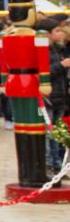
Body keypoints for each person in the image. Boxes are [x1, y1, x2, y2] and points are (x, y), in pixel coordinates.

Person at [0, 0, 51, 187]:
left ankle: (25, 173)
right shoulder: (38, 36)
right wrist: (45, 82)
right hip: (32, 85)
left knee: (21, 128)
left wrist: (3, 82)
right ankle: (36, 173)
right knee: (35, 128)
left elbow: (2, 66)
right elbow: (43, 64)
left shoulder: (4, 36)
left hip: (13, 83)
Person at [47, 25, 70, 173]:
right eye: (57, 30)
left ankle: (57, 164)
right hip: (49, 98)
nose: (61, 33)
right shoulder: (44, 51)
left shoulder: (59, 49)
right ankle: (49, 163)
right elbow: (43, 74)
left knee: (58, 134)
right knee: (49, 134)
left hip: (61, 97)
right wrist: (61, 65)